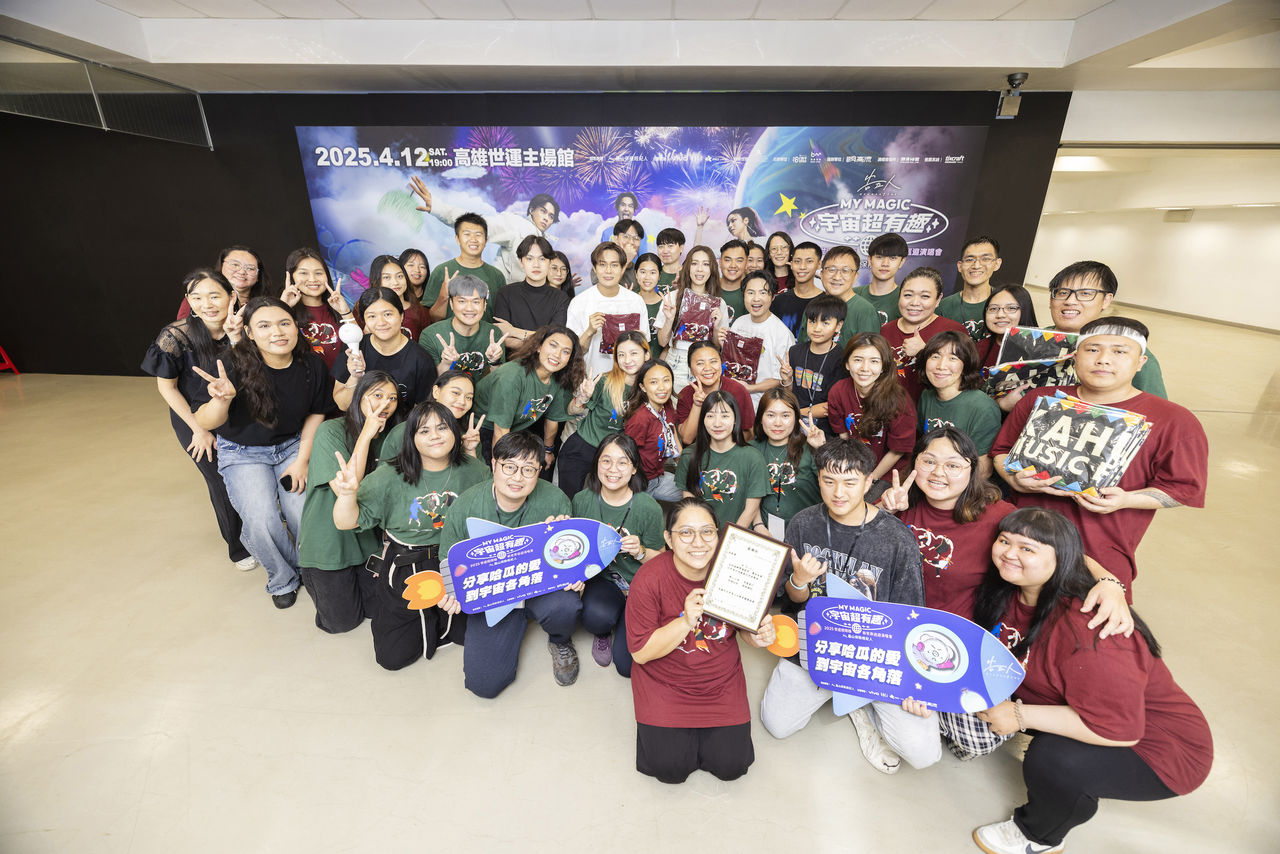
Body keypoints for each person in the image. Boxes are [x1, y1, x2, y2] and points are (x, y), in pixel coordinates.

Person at [877, 427, 1132, 763]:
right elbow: (855, 541)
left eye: (953, 465)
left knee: (979, 739)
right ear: (915, 464)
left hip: (953, 645)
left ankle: (908, 704)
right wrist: (884, 512)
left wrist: (1110, 583)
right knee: (916, 736)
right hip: (894, 630)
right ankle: (884, 703)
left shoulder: (995, 515)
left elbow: (1059, 547)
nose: (939, 473)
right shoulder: (900, 501)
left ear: (972, 470)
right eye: (929, 461)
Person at [968, 508, 1211, 854]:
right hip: (1093, 711)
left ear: (1061, 560)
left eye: (1027, 549)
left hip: (1158, 749)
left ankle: (1039, 835)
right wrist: (1109, 579)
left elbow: (1121, 729)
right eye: (1004, 541)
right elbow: (1061, 548)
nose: (1009, 553)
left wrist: (1019, 715)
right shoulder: (1013, 590)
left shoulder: (1089, 632)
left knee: (1051, 758)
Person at [991, 317, 1207, 598]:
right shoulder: (1040, 399)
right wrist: (1014, 480)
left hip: (1100, 553)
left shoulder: (1174, 420)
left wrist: (1126, 500)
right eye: (1092, 349)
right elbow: (1001, 452)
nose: (1103, 359)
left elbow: (1182, 489)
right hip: (1020, 544)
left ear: (1140, 362)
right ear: (1075, 357)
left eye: (1119, 351)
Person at [759, 438, 939, 775]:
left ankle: (863, 708)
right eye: (829, 481)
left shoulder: (897, 539)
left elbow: (910, 618)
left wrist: (916, 683)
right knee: (777, 724)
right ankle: (848, 699)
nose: (838, 492)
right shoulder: (803, 523)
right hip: (815, 644)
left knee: (924, 754)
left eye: (850, 482)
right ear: (818, 480)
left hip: (873, 653)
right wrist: (798, 580)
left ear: (869, 482)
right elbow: (793, 599)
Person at [627, 497, 776, 784]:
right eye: (686, 532)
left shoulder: (736, 570)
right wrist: (685, 621)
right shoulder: (648, 579)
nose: (698, 542)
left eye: (707, 532)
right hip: (664, 683)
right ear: (668, 539)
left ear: (718, 536)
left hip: (720, 682)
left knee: (732, 766)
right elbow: (641, 654)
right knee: (668, 769)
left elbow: (744, 630)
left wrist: (757, 636)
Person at [192, 297, 329, 609]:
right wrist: (222, 400)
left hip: (292, 445)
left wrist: (302, 460)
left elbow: (316, 412)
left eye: (284, 323)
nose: (277, 332)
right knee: (262, 519)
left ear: (296, 327)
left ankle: (308, 568)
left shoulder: (312, 365)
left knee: (303, 512)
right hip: (242, 452)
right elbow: (204, 421)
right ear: (250, 333)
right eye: (264, 326)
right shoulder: (229, 364)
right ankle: (283, 578)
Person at [331, 400, 490, 669]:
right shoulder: (389, 476)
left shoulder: (475, 470)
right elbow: (345, 522)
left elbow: (493, 516)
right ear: (411, 438)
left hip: (455, 561)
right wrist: (347, 495)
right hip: (408, 564)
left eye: (442, 427)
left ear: (454, 431)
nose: (435, 435)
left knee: (467, 634)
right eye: (424, 430)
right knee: (393, 658)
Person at [441, 432, 581, 696]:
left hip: (539, 587)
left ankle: (560, 639)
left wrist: (564, 550)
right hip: (494, 594)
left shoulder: (556, 500)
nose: (517, 477)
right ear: (494, 464)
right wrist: (451, 593)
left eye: (528, 469)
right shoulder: (466, 505)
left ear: (540, 471)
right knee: (484, 685)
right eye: (509, 466)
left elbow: (570, 558)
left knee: (567, 604)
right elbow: (449, 560)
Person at [143, 268, 253, 570]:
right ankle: (238, 547)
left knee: (248, 476)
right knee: (220, 480)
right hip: (193, 416)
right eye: (197, 297)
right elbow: (167, 388)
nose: (207, 304)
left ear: (231, 296)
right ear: (189, 301)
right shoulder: (176, 336)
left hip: (238, 409)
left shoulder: (244, 327)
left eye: (214, 296)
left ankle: (260, 530)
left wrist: (238, 337)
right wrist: (198, 430)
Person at [297, 371, 399, 634]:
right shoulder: (330, 431)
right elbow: (349, 485)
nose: (385, 404)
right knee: (342, 623)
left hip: (368, 540)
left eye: (392, 398)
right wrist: (366, 433)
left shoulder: (393, 436)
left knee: (379, 610)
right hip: (329, 544)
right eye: (377, 395)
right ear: (359, 397)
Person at [572, 434, 666, 675]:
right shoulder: (582, 501)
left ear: (634, 468)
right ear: (596, 464)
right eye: (606, 461)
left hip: (640, 585)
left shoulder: (648, 507)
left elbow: (662, 561)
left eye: (622, 462)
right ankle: (604, 631)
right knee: (595, 617)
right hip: (604, 581)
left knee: (627, 666)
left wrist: (641, 552)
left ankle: (628, 618)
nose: (613, 469)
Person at [1044, 260, 1166, 398]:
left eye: (1085, 293)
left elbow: (1153, 406)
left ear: (1106, 300)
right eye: (1062, 292)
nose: (1070, 301)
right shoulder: (1029, 340)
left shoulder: (1130, 352)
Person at [413, 176, 560, 286]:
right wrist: (438, 208)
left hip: (526, 300)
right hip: (505, 298)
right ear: (531, 210)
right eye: (543, 211)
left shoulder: (544, 241)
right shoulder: (516, 225)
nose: (546, 218)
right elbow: (477, 224)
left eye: (551, 216)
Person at [472, 324, 584, 466]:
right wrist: (503, 467)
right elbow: (500, 429)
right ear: (539, 347)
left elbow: (552, 420)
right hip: (482, 429)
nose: (557, 355)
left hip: (515, 430)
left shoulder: (559, 379)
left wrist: (548, 450)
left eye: (566, 352)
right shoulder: (511, 377)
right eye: (553, 345)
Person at [559, 330, 648, 499]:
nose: (627, 360)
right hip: (583, 447)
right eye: (621, 355)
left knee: (610, 503)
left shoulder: (649, 388)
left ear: (647, 355)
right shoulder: (604, 381)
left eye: (633, 353)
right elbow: (571, 411)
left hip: (617, 455)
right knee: (568, 502)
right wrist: (582, 398)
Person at [825, 332, 916, 489]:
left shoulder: (899, 400)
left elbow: (897, 451)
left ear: (883, 367)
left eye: (874, 361)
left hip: (888, 472)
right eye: (858, 360)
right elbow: (844, 436)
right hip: (856, 467)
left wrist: (870, 479)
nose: (864, 368)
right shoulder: (838, 391)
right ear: (847, 364)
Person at [332, 287, 437, 412]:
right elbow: (343, 405)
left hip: (401, 423)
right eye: (372, 316)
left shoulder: (421, 359)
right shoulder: (354, 348)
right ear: (364, 320)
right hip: (360, 421)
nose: (381, 322)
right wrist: (355, 377)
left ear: (401, 316)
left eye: (387, 314)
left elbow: (424, 412)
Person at [675, 392, 769, 530]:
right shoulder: (689, 456)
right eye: (710, 416)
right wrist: (706, 536)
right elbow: (689, 506)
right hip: (701, 534)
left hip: (738, 535)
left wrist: (729, 539)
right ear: (703, 420)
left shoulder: (753, 457)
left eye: (725, 416)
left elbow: (750, 511)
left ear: (735, 419)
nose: (717, 423)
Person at [916, 331, 1003, 477]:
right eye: (935, 356)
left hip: (966, 484)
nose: (941, 366)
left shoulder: (983, 407)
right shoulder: (927, 396)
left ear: (966, 365)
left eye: (953, 358)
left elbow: (984, 471)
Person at [879, 266, 966, 404]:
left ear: (938, 300)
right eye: (908, 295)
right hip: (892, 409)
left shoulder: (953, 331)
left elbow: (965, 379)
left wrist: (924, 351)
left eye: (925, 296)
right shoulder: (886, 330)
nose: (914, 303)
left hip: (933, 410)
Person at [567, 242, 650, 377]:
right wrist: (589, 331)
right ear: (594, 268)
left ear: (622, 268)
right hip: (591, 379)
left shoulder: (636, 301)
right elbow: (573, 353)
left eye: (614, 265)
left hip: (629, 380)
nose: (608, 270)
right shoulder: (579, 303)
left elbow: (644, 349)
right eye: (602, 264)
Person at [751, 388, 825, 536]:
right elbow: (747, 495)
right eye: (770, 415)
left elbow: (833, 486)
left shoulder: (810, 448)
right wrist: (758, 524)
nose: (777, 423)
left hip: (808, 530)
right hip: (765, 531)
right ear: (760, 417)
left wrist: (821, 449)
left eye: (785, 415)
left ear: (796, 418)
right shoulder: (751, 450)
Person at [655, 244, 729, 391]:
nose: (700, 269)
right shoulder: (672, 298)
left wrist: (716, 327)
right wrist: (669, 319)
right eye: (694, 263)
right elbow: (662, 342)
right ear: (688, 267)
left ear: (712, 269)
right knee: (675, 404)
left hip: (706, 365)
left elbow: (717, 346)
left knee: (704, 405)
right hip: (677, 362)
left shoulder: (719, 303)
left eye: (705, 264)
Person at [417, 211, 507, 323]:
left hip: (487, 334)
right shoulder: (441, 271)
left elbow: (500, 318)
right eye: (467, 234)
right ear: (457, 239)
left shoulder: (497, 276)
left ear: (486, 240)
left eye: (478, 235)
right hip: (448, 334)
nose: (473, 239)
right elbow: (431, 319)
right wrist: (444, 296)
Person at [779, 295, 848, 436]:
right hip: (794, 426)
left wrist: (795, 413)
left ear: (838, 325)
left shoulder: (841, 358)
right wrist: (787, 380)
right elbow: (790, 395)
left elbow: (831, 406)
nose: (817, 328)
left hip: (824, 430)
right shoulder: (795, 351)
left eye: (825, 323)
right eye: (812, 321)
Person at [728, 270, 796, 411]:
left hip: (764, 407)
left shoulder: (782, 334)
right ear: (744, 295)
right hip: (734, 401)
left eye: (763, 293)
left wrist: (751, 388)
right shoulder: (738, 323)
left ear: (772, 296)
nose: (756, 299)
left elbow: (781, 379)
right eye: (750, 292)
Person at [419, 274, 505, 382]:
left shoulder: (494, 333)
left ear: (484, 305)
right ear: (451, 304)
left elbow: (499, 383)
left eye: (476, 302)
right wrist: (446, 363)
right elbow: (429, 384)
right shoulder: (431, 335)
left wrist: (494, 362)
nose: (469, 308)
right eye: (462, 301)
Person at [280, 247, 352, 370]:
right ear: (292, 277)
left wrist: (346, 312)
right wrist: (283, 307)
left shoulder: (339, 308)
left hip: (345, 381)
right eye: (304, 273)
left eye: (318, 273)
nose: (313, 279)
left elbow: (360, 345)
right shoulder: (285, 310)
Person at [673, 340, 755, 445]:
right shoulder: (685, 394)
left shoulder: (738, 390)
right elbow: (687, 439)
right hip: (698, 451)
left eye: (713, 361)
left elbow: (748, 434)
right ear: (691, 370)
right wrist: (697, 405)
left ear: (721, 363)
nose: (708, 368)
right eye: (700, 363)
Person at [492, 235, 570, 345]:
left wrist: (514, 331)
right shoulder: (505, 293)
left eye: (542, 259)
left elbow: (555, 339)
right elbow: (502, 339)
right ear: (521, 262)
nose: (536, 265)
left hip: (549, 357)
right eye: (529, 259)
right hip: (513, 357)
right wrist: (541, 341)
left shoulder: (560, 298)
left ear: (549, 262)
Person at [623, 359, 683, 501]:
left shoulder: (666, 404)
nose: (662, 388)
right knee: (647, 513)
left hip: (658, 477)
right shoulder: (640, 418)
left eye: (666, 380)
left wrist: (684, 468)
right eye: (654, 382)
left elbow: (672, 435)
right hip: (640, 482)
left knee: (697, 489)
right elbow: (626, 456)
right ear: (643, 387)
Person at [176, 244, 269, 320]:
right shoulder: (197, 298)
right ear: (221, 266)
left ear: (258, 275)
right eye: (235, 265)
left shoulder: (266, 304)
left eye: (250, 268)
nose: (242, 272)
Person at [939, 235, 1003, 341]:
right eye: (969, 259)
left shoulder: (1008, 304)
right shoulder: (943, 307)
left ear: (997, 264)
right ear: (960, 266)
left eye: (985, 259)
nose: (976, 266)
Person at [817, 244, 880, 347]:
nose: (837, 277)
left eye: (845, 270)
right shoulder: (814, 306)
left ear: (855, 276)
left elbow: (869, 352)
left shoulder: (865, 311)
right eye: (831, 269)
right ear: (821, 274)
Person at [976, 283, 1038, 370]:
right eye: (993, 308)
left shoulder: (1040, 351)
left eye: (1011, 308)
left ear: (1025, 311)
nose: (1000, 315)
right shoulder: (979, 348)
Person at [367, 255, 427, 342]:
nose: (395, 282)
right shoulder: (366, 309)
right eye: (387, 277)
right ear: (376, 280)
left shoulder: (420, 311)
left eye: (399, 276)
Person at [769, 241, 822, 338]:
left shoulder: (827, 302)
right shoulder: (778, 301)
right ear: (791, 264)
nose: (802, 267)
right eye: (797, 261)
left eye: (809, 261)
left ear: (819, 264)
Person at [853, 232, 908, 325]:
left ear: (902, 261)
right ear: (869, 260)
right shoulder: (852, 295)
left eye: (893, 258)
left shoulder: (907, 299)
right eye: (879, 257)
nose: (885, 263)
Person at [632, 252, 666, 353]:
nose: (647, 277)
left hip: (658, 360)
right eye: (643, 272)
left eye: (652, 273)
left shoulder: (666, 305)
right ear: (636, 274)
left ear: (659, 275)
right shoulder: (629, 301)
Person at [717, 239, 749, 323]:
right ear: (720, 262)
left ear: (746, 264)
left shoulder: (751, 295)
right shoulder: (708, 289)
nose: (733, 265)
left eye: (739, 261)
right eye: (728, 260)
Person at [654, 227, 686, 291]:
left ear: (681, 248)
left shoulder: (688, 274)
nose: (665, 251)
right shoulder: (653, 274)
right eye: (661, 246)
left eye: (670, 246)